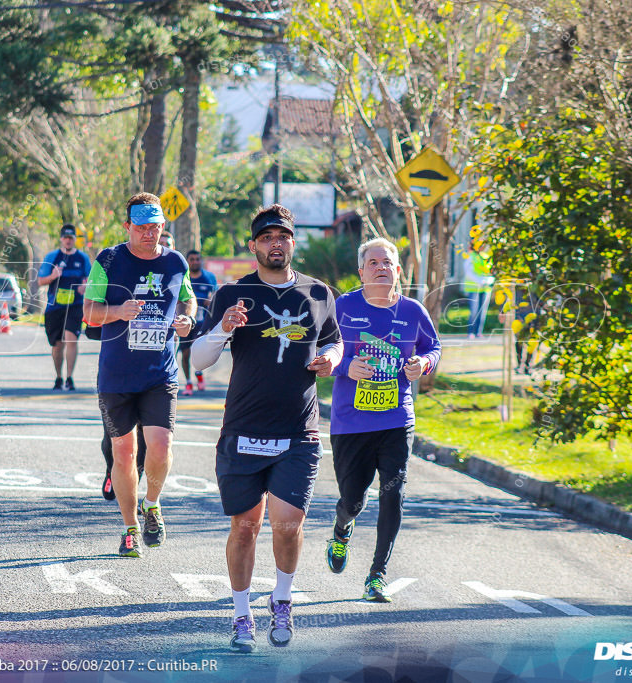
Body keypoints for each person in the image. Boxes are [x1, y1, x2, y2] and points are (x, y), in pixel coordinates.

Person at [191, 204, 342, 653]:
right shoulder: (233, 294)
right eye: (267, 237)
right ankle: (241, 614)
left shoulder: (318, 294)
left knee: (289, 524)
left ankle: (281, 598)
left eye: (284, 236)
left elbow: (335, 340)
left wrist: (331, 360)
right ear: (253, 245)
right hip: (243, 429)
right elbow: (199, 358)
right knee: (244, 527)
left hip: (299, 431)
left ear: (293, 243)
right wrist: (223, 327)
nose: (276, 243)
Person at [325, 238, 441, 602]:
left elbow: (432, 347)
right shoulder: (342, 308)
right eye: (373, 262)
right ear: (361, 271)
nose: (380, 267)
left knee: (394, 494)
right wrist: (346, 366)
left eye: (387, 262)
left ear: (397, 270)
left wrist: (424, 364)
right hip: (350, 422)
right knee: (353, 498)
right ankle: (342, 528)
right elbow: (319, 351)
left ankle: (377, 575)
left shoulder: (413, 311)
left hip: (396, 419)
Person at [83, 193, 196, 557]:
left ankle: (153, 504)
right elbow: (89, 313)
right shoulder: (109, 259)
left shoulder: (177, 262)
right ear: (128, 226)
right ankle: (130, 527)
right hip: (116, 376)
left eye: (156, 227)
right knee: (124, 452)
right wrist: (118, 310)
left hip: (159, 373)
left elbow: (187, 298)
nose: (150, 234)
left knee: (161, 447)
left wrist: (186, 318)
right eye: (143, 227)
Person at [36, 224, 92, 390]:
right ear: (61, 239)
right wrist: (53, 276)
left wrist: (85, 287)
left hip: (75, 305)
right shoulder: (52, 257)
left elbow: (89, 279)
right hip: (55, 307)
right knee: (58, 344)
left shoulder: (82, 258)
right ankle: (59, 377)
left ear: (75, 240)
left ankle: (69, 378)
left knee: (71, 339)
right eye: (65, 238)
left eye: (71, 238)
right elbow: (40, 281)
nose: (68, 241)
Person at [179, 250, 218, 396]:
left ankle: (199, 373)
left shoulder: (209, 277)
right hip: (185, 320)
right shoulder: (184, 277)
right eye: (192, 259)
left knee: (196, 349)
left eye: (197, 259)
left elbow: (215, 296)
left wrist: (210, 302)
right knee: (185, 353)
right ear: (188, 261)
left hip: (202, 321)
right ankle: (189, 382)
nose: (195, 262)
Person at [462, 238, 494, 339]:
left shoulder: (486, 257)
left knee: (482, 311)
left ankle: (479, 332)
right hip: (474, 288)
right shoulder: (471, 256)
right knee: (474, 311)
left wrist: (488, 280)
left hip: (485, 288)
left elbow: (492, 271)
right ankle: (471, 332)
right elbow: (468, 272)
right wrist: (479, 281)